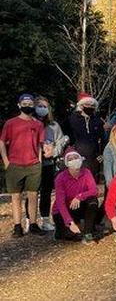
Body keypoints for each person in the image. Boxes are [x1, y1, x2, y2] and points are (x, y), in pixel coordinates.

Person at [1, 93, 48, 237]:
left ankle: (33, 224)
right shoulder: (11, 123)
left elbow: (40, 145)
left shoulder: (38, 124)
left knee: (33, 195)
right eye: (24, 103)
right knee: (16, 197)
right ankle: (17, 226)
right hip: (14, 164)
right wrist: (6, 161)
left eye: (30, 104)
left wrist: (39, 160)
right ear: (19, 105)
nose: (27, 106)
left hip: (33, 165)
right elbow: (2, 142)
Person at [34, 96, 67, 232]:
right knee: (32, 193)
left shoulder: (54, 125)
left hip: (48, 163)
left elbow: (61, 140)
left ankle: (45, 219)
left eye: (45, 106)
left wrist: (54, 151)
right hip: (33, 163)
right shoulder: (31, 123)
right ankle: (31, 221)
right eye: (39, 106)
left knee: (46, 192)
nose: (42, 109)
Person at [53, 151, 99, 244]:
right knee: (70, 236)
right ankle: (62, 230)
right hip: (63, 210)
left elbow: (94, 190)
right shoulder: (60, 178)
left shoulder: (86, 172)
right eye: (70, 159)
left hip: (79, 205)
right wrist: (70, 222)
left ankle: (88, 234)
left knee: (93, 201)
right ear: (66, 163)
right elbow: (60, 203)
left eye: (76, 157)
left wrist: (79, 196)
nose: (74, 160)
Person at [66, 92, 104, 178]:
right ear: (81, 105)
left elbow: (103, 138)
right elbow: (67, 137)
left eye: (92, 105)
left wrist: (101, 154)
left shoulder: (97, 121)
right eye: (87, 104)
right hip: (77, 156)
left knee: (92, 182)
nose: (90, 107)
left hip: (94, 158)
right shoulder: (71, 120)